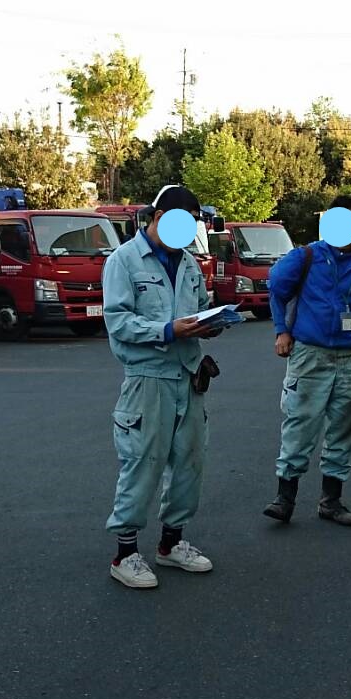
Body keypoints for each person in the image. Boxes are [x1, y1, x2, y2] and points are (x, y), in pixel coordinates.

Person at [102, 184, 221, 589]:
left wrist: (211, 322)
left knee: (189, 462)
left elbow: (200, 307)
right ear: (157, 218)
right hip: (148, 378)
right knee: (142, 462)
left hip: (189, 376)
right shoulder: (124, 261)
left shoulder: (188, 262)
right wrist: (167, 330)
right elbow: (118, 322)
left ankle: (171, 544)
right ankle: (125, 553)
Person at [263, 195, 351, 527]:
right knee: (299, 423)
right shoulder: (304, 257)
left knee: (346, 425)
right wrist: (281, 331)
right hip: (310, 354)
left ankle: (331, 501)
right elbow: (276, 290)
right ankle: (284, 498)